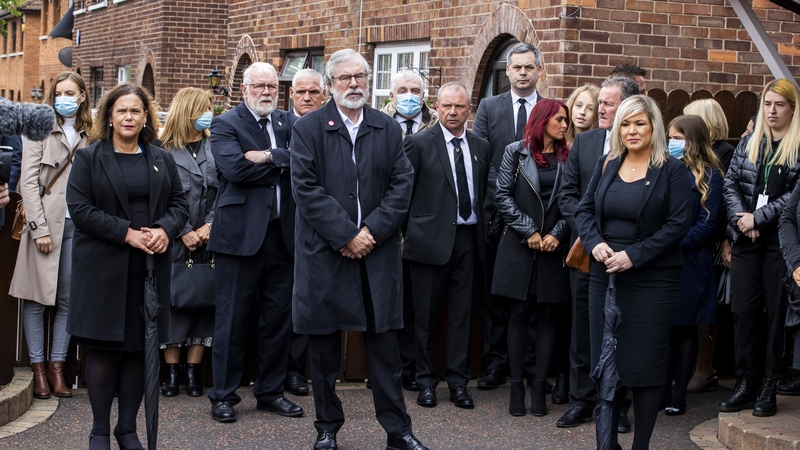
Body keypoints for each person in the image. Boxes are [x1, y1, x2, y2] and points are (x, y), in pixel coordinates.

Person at [291, 48, 427, 450]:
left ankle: (398, 431)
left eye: (360, 77)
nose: (353, 84)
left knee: (385, 350)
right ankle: (327, 428)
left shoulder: (387, 128)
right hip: (326, 254)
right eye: (345, 78)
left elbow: (402, 185)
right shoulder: (309, 128)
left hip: (376, 255)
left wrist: (371, 231)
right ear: (330, 84)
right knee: (324, 351)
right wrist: (346, 235)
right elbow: (306, 190)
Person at [66, 83, 189, 450]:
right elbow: (81, 210)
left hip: (148, 271)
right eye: (122, 110)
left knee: (140, 350)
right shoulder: (89, 158)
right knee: (104, 351)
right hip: (103, 269)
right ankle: (99, 431)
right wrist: (127, 234)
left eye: (136, 110)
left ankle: (127, 429)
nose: (129, 117)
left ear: (146, 116)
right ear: (109, 116)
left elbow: (180, 204)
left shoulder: (162, 157)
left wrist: (165, 230)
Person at [575, 95, 692, 449]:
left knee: (644, 368)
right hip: (605, 277)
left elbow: (678, 225)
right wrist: (594, 243)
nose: (632, 130)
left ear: (654, 127)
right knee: (606, 365)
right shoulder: (607, 163)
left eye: (640, 123)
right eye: (625, 123)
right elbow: (584, 211)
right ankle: (607, 444)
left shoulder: (672, 170)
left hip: (653, 281)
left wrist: (634, 256)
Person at [206, 62, 302, 423]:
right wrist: (283, 165)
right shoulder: (226, 124)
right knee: (232, 319)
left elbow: (308, 162)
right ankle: (223, 395)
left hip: (283, 236)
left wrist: (269, 156)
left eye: (272, 86)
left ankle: (271, 392)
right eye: (259, 86)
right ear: (244, 89)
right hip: (239, 237)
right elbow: (234, 169)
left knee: (278, 320)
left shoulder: (289, 122)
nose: (266, 92)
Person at [556, 76, 639, 430]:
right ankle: (581, 401)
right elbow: (567, 195)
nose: (600, 109)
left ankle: (618, 406)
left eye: (608, 103)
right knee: (583, 330)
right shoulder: (586, 142)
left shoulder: (642, 146)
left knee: (623, 331)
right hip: (587, 251)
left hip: (627, 255)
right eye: (599, 103)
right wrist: (591, 235)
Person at [403, 82, 489, 409]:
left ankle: (458, 382)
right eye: (447, 106)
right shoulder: (418, 143)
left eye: (460, 107)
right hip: (428, 242)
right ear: (436, 107)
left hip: (469, 239)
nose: (453, 112)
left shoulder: (481, 146)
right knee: (425, 316)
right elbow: (403, 194)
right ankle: (425, 382)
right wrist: (409, 234)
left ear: (469, 109)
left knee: (462, 315)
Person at [719, 79, 800, 417]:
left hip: (779, 243)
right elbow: (730, 183)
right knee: (744, 311)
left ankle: (770, 382)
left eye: (779, 104)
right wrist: (742, 220)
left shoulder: (797, 146)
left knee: (775, 315)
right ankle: (747, 380)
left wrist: (759, 218)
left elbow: (794, 197)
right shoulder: (750, 142)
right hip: (746, 240)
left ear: (792, 109)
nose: (772, 111)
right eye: (767, 104)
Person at [9, 72, 91, 400]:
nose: (63, 99)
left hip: (77, 226)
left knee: (69, 300)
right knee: (36, 299)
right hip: (43, 226)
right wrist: (39, 229)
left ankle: (58, 369)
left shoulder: (91, 134)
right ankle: (38, 371)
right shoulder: (39, 128)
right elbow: (28, 182)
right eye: (59, 93)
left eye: (70, 93)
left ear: (82, 96)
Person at [473, 41, 545, 392]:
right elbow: (481, 159)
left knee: (532, 296)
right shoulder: (489, 107)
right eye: (517, 67)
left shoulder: (548, 109)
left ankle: (530, 366)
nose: (522, 73)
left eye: (529, 67)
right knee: (497, 295)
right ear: (508, 70)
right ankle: (495, 364)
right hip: (497, 214)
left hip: (537, 219)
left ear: (538, 70)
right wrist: (499, 202)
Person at [493, 98, 572, 417]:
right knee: (519, 314)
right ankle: (516, 389)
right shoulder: (516, 151)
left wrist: (558, 233)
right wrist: (529, 230)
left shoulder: (570, 156)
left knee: (549, 316)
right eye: (559, 119)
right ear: (542, 120)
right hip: (519, 246)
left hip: (554, 248)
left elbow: (578, 200)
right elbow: (502, 195)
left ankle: (539, 389)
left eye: (566, 120)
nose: (565, 125)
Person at [155, 87, 217, 398]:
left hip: (209, 239)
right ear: (187, 111)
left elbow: (226, 191)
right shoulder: (163, 149)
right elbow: (159, 197)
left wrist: (210, 225)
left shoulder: (215, 146)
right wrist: (184, 230)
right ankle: (171, 372)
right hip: (175, 238)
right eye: (204, 108)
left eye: (211, 108)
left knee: (203, 301)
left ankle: (193, 372)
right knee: (173, 303)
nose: (209, 114)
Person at [660, 115, 724, 416]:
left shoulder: (710, 175)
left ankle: (679, 396)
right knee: (664, 328)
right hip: (662, 260)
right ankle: (661, 391)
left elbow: (708, 224)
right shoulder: (662, 168)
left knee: (685, 327)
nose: (671, 143)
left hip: (691, 260)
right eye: (670, 137)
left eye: (677, 138)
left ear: (693, 140)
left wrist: (672, 243)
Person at [380, 69, 439, 393]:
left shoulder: (436, 126)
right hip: (386, 225)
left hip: (423, 228)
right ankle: (391, 369)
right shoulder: (378, 124)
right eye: (402, 90)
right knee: (390, 302)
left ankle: (416, 368)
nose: (409, 95)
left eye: (415, 90)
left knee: (419, 306)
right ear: (391, 95)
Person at [681, 98, 735, 393]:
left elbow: (723, 203)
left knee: (705, 307)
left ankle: (705, 367)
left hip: (710, 238)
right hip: (700, 237)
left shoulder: (722, 155)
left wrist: (725, 237)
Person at [285, 68, 326, 397]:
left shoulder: (329, 127)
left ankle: (296, 371)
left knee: (308, 304)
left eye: (313, 92)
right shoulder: (279, 124)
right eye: (301, 92)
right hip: (277, 228)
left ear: (324, 95)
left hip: (319, 230)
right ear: (291, 95)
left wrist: (271, 157)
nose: (307, 98)